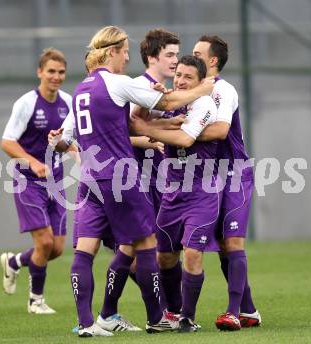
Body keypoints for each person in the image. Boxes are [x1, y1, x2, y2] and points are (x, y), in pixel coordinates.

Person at [52, 25, 213, 337]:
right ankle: (156, 317)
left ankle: (88, 324)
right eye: (124, 51)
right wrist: (201, 91)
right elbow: (164, 103)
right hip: (120, 177)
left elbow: (64, 141)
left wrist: (57, 141)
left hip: (89, 179)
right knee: (146, 244)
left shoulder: (80, 90)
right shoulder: (117, 83)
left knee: (85, 251)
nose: (127, 57)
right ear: (111, 51)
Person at [96, 28, 181, 331]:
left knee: (159, 251)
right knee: (144, 250)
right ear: (152, 56)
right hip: (136, 182)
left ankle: (166, 313)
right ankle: (161, 315)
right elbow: (127, 130)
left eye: (176, 53)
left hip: (158, 181)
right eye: (169, 54)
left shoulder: (151, 87)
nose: (175, 60)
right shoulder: (134, 86)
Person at [131, 55, 219, 333]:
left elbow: (185, 139)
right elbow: (134, 122)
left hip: (201, 193)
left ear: (199, 83)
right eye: (178, 74)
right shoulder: (169, 100)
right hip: (172, 193)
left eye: (187, 77)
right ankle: (172, 312)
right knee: (164, 258)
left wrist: (150, 130)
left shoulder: (204, 103)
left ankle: (187, 318)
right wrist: (149, 106)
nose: (180, 80)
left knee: (192, 253)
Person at [193, 35, 262, 330]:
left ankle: (233, 312)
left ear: (212, 61)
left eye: (197, 53)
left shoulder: (223, 90)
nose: (191, 56)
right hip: (206, 176)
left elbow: (221, 131)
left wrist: (183, 133)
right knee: (222, 245)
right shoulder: (190, 91)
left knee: (232, 241)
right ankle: (248, 310)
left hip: (233, 173)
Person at [0, 48, 72, 314]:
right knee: (43, 243)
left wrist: (75, 151)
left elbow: (68, 142)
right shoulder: (26, 103)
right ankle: (36, 301)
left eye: (61, 72)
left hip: (56, 183)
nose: (56, 76)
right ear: (40, 72)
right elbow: (7, 142)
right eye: (51, 71)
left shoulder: (68, 102)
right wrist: (31, 161)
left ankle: (15, 262)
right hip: (27, 180)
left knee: (56, 248)